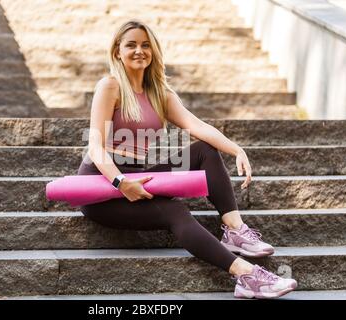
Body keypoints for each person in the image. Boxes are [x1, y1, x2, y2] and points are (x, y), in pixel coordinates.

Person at [77, 20, 297, 299]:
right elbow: (95, 146)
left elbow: (198, 126)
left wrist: (237, 149)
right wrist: (120, 182)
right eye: (131, 45)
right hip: (101, 187)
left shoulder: (161, 94)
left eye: (146, 45)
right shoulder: (110, 86)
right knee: (175, 211)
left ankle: (234, 230)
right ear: (117, 51)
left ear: (154, 51)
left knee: (205, 149)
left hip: (136, 177)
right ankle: (247, 275)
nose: (139, 51)